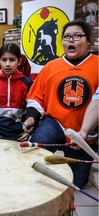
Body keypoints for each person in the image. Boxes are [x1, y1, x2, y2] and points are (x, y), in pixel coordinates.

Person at [22, 20, 98, 188]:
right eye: (66, 37)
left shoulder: (98, 64)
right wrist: (31, 118)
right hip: (55, 123)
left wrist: (86, 132)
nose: (71, 40)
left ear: (88, 41)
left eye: (77, 36)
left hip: (84, 133)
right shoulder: (50, 67)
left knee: (76, 182)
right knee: (39, 141)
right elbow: (36, 98)